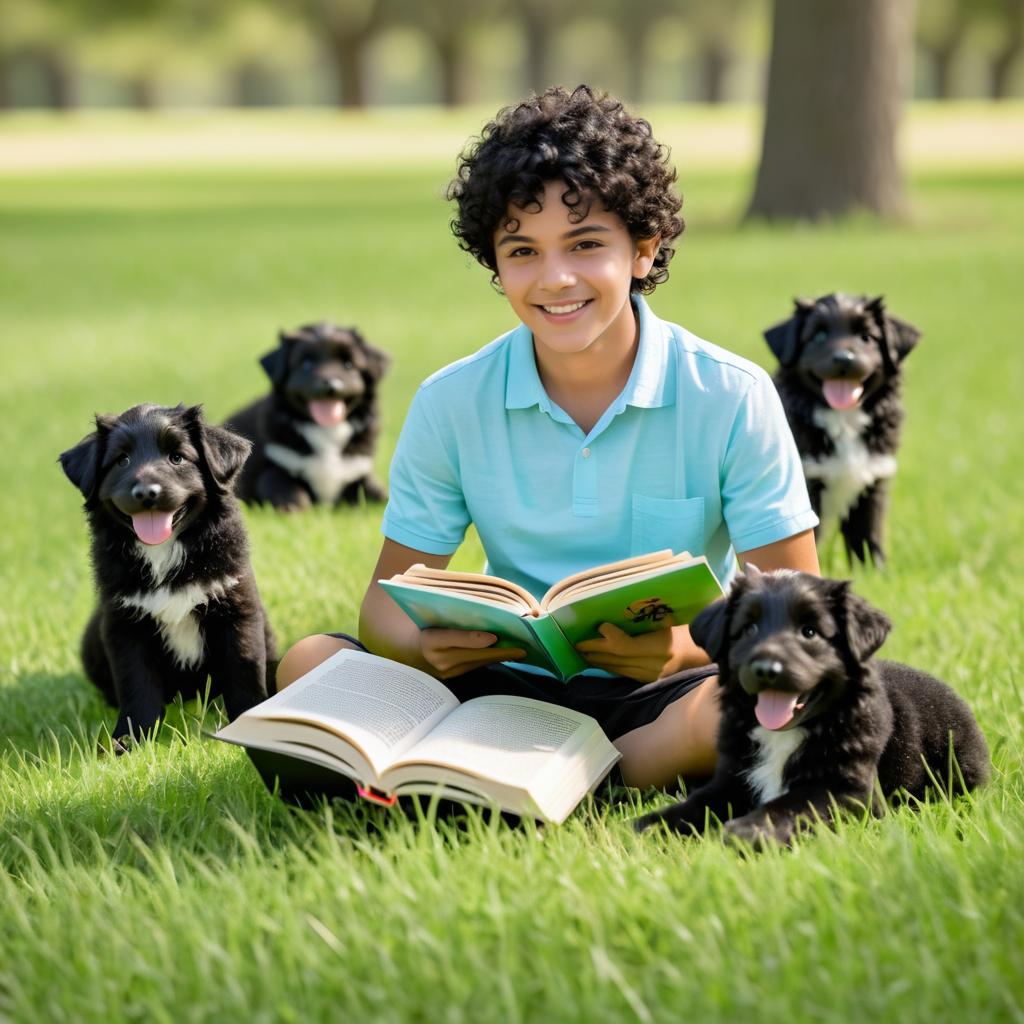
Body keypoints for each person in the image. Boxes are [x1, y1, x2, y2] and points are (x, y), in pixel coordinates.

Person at [277, 85, 820, 789]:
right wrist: (426, 645)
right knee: (308, 662)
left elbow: (799, 615)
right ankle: (524, 770)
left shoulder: (731, 393)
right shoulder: (451, 401)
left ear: (644, 252)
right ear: (495, 263)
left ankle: (551, 779)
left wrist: (682, 651)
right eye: (523, 250)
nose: (554, 278)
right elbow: (383, 602)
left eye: (586, 244)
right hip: (498, 685)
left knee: (734, 709)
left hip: (665, 692)